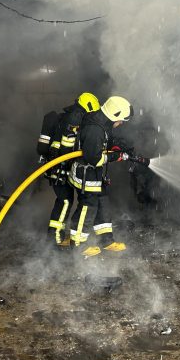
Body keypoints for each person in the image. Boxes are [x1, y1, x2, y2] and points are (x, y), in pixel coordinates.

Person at [68, 95, 132, 257]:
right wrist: (115, 156)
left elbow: (105, 140)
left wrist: (115, 146)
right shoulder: (95, 129)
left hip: (96, 174)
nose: (121, 123)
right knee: (87, 206)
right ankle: (77, 244)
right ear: (114, 114)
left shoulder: (102, 121)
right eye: (121, 120)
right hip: (86, 174)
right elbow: (94, 158)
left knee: (102, 203)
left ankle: (106, 240)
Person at [46, 92, 100, 247]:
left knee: (65, 201)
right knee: (64, 201)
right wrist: (67, 164)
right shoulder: (75, 117)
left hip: (59, 166)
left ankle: (57, 237)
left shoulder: (70, 116)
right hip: (59, 168)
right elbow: (66, 146)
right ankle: (54, 239)